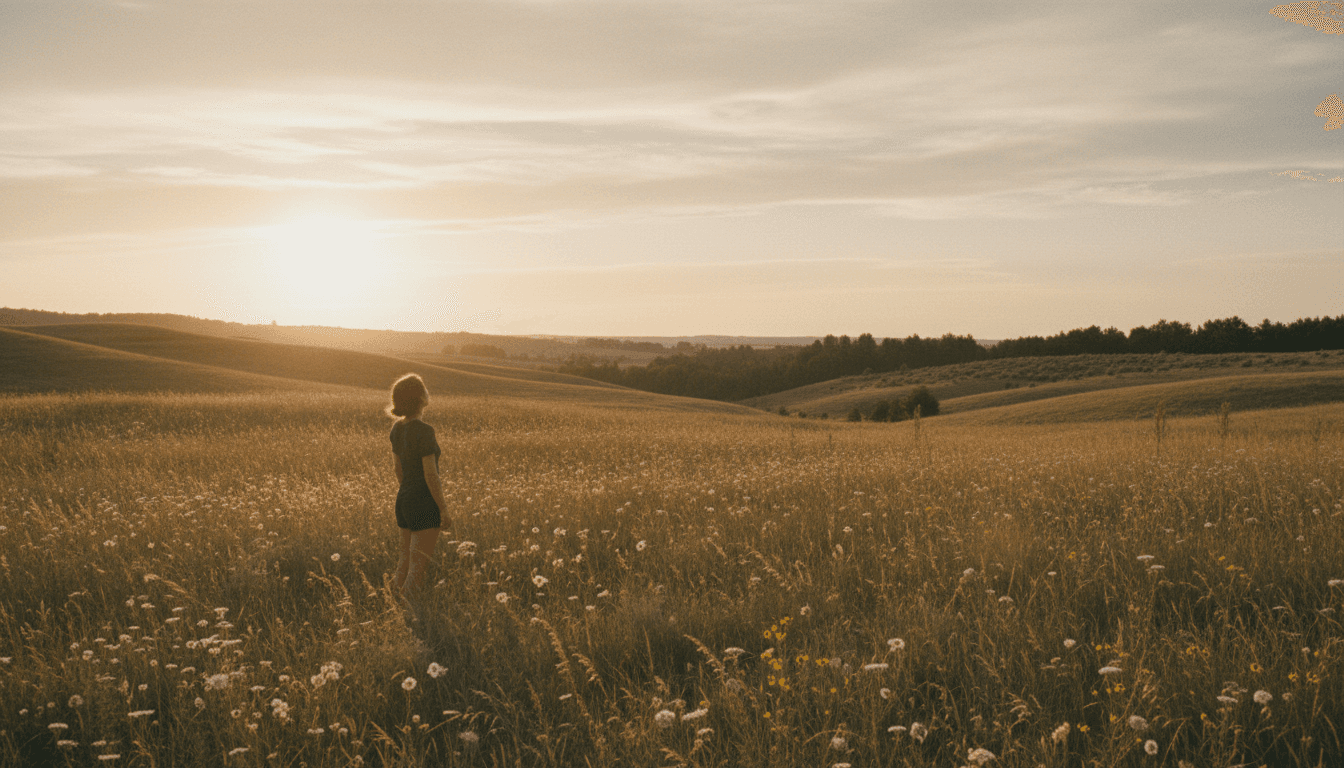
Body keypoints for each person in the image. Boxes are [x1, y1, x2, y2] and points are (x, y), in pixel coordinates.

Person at [386, 373, 447, 597]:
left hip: (403, 499)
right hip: (423, 502)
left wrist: (407, 490)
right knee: (417, 571)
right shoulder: (425, 431)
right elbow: (431, 474)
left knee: (404, 561)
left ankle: (392, 606)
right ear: (421, 398)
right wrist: (443, 509)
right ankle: (409, 616)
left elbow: (397, 469)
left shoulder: (396, 429)